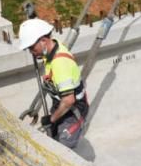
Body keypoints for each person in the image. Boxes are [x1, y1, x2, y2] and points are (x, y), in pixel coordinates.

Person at [18, 18, 88, 149]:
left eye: (32, 48)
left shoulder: (60, 63)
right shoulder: (51, 49)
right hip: (60, 105)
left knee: (64, 146)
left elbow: (68, 101)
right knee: (53, 138)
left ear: (44, 41)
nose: (31, 52)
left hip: (73, 111)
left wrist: (52, 119)